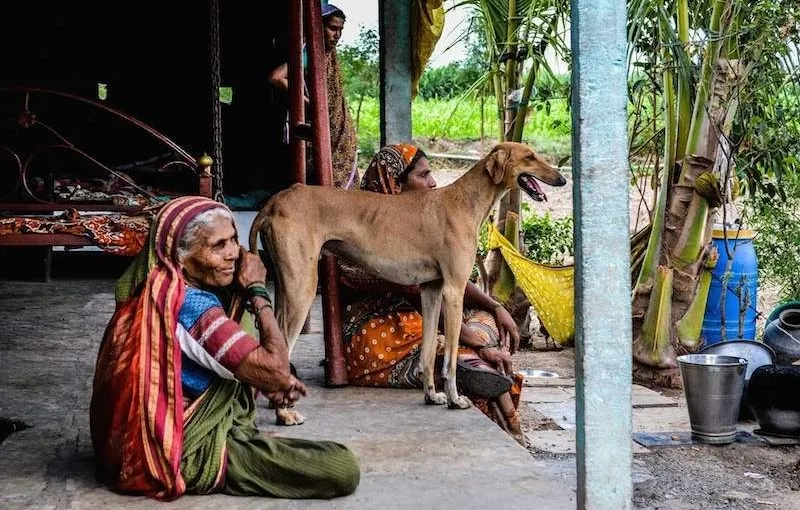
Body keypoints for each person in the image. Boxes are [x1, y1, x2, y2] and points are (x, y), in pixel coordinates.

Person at [90, 196, 359, 500]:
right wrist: (258, 292)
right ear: (181, 257)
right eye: (218, 246)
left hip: (133, 442)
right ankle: (222, 448)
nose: (233, 253)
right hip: (184, 449)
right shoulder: (190, 305)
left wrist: (260, 377)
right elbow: (276, 368)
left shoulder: (156, 289)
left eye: (233, 239)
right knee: (341, 466)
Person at [339, 145, 526, 445]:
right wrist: (471, 339)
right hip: (376, 336)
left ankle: (506, 420)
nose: (433, 183)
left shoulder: (425, 223)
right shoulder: (371, 227)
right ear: (396, 183)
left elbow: (448, 281)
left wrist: (494, 306)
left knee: (484, 323)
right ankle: (508, 427)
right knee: (473, 355)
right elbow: (418, 293)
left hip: (414, 322)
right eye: (423, 175)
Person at [269, 3, 358, 189]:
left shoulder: (327, 53)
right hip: (317, 123)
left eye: (340, 30)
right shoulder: (310, 51)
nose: (337, 35)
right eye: (332, 28)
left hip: (336, 128)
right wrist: (309, 104)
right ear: (319, 27)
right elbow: (277, 77)